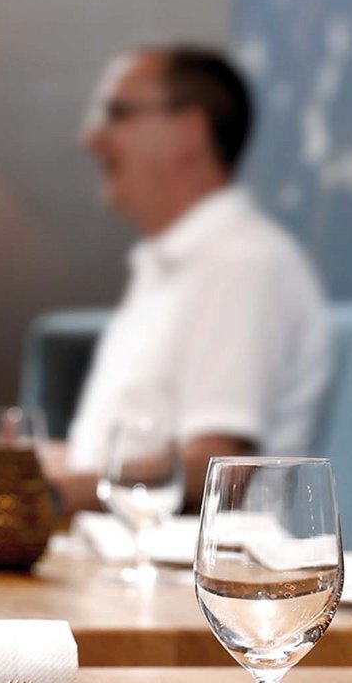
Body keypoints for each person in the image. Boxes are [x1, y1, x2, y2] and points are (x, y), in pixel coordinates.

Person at [45, 44, 332, 514]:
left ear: (190, 130)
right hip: (124, 555)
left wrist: (48, 497)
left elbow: (213, 468)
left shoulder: (240, 262)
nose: (90, 138)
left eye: (115, 113)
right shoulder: (174, 265)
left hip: (185, 574)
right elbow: (97, 460)